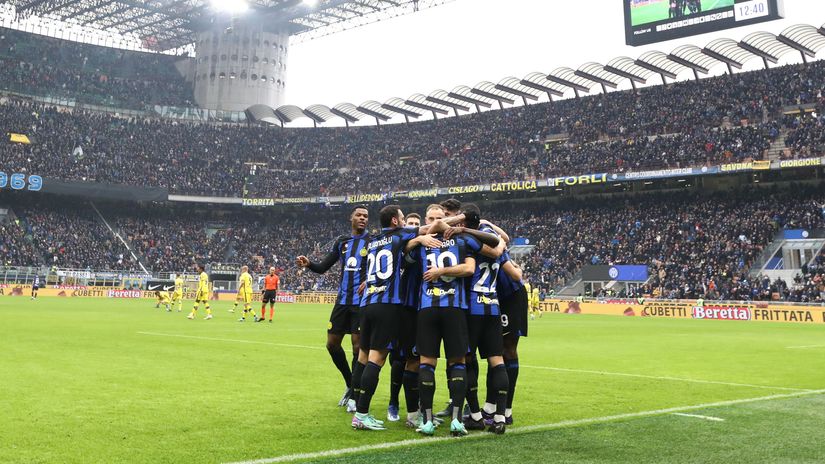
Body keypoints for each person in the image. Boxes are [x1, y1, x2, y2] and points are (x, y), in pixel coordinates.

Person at [350, 205, 447, 431]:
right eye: (403, 219)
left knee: (363, 357)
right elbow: (424, 231)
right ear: (395, 221)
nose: (406, 223)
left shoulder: (372, 241)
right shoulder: (401, 235)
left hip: (367, 304)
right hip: (388, 305)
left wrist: (416, 242)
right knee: (378, 358)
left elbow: (404, 246)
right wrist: (462, 219)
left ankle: (357, 407)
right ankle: (362, 414)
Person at [410, 216, 500, 436]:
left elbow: (403, 247)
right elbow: (472, 267)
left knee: (426, 363)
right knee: (458, 362)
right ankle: (457, 421)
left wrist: (421, 240)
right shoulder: (462, 241)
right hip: (455, 309)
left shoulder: (424, 241)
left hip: (427, 307)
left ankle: (428, 421)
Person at [296, 205, 370, 408]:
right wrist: (309, 263)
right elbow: (322, 268)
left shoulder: (372, 242)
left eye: (365, 216)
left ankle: (355, 395)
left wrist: (370, 281)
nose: (362, 218)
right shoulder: (342, 242)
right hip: (342, 301)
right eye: (359, 215)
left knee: (358, 347)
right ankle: (350, 383)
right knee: (332, 344)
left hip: (361, 302)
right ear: (351, 218)